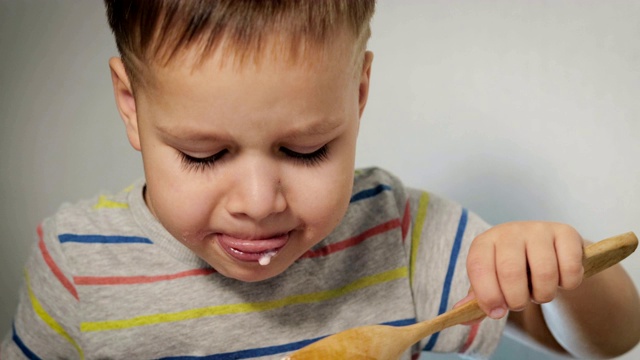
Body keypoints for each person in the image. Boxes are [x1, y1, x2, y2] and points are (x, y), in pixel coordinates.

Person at [2, 1, 639, 359]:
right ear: (131, 104)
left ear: (358, 94)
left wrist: (560, 265)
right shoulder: (77, 262)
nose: (257, 204)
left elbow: (614, 339)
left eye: (306, 150)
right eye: (203, 155)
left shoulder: (401, 236)